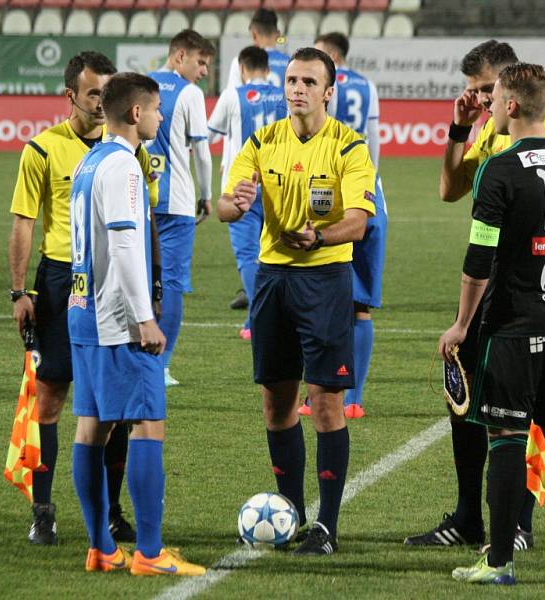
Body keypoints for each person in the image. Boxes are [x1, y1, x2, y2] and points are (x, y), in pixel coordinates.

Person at [405, 39, 545, 551]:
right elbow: (450, 189)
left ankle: (519, 522)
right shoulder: (487, 130)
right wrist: (459, 129)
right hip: (488, 285)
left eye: (486, 90)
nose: (480, 99)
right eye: (472, 90)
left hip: (528, 290)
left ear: (510, 87)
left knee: (522, 409)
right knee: (465, 394)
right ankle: (468, 518)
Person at [438, 62, 545, 585]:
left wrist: (463, 324)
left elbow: (479, 256)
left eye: (495, 101)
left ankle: (499, 561)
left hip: (514, 320)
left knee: (506, 433)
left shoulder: (501, 168)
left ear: (510, 106)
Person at [217, 48, 376, 555]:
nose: (297, 88)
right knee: (276, 401)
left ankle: (326, 526)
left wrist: (322, 237)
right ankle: (290, 514)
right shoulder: (263, 140)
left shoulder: (349, 147)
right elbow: (225, 204)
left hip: (325, 278)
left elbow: (359, 220)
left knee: (325, 401)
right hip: (272, 281)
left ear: (329, 91)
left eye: (308, 81)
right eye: (291, 80)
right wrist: (234, 203)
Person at [8, 51, 158, 546]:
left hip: (111, 285)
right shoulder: (45, 149)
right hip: (61, 283)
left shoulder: (126, 152)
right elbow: (24, 222)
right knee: (53, 399)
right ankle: (44, 509)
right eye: (92, 92)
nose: (100, 101)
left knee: (108, 413)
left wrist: (152, 283)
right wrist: (19, 290)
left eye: (105, 92)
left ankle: (109, 514)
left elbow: (144, 224)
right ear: (70, 95)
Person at [68, 71, 205, 576]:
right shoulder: (124, 167)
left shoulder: (90, 161)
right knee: (149, 422)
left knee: (93, 426)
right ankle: (149, 553)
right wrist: (145, 319)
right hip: (118, 321)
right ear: (134, 114)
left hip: (83, 313)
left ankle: (101, 547)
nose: (161, 117)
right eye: (156, 110)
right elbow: (125, 243)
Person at [301, 31, 387, 419]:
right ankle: (353, 399)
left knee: (317, 300)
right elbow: (373, 140)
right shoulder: (367, 85)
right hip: (369, 193)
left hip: (329, 187)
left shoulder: (322, 88)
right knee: (360, 305)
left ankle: (315, 394)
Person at [147, 30, 215, 387]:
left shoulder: (140, 85)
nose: (203, 71)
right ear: (179, 56)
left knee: (138, 278)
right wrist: (207, 194)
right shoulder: (190, 93)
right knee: (171, 282)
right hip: (176, 202)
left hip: (139, 197)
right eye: (199, 62)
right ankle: (162, 366)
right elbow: (201, 152)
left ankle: (133, 355)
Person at [208, 46, 287, 340]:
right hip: (277, 186)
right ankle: (279, 313)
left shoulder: (233, 95)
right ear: (268, 69)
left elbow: (211, 133)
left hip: (241, 186)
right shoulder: (283, 95)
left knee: (247, 255)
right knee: (277, 252)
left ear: (241, 68)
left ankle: (260, 318)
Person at [224, 8, 291, 312]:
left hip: (245, 165)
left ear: (253, 33)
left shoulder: (243, 60)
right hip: (281, 165)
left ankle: (254, 295)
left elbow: (231, 108)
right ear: (277, 31)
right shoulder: (288, 58)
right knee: (277, 237)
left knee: (246, 238)